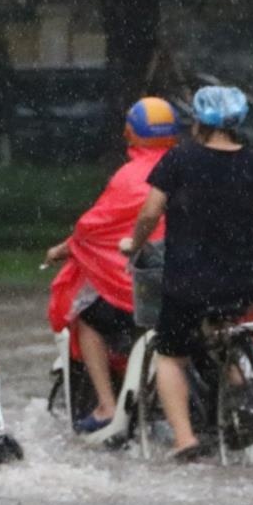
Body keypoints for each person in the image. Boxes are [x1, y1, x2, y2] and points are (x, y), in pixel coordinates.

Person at [121, 85, 253, 462]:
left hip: (189, 283)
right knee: (225, 334)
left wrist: (134, 245)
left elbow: (150, 213)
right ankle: (240, 393)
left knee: (170, 354)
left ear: (198, 119)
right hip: (243, 283)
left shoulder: (181, 159)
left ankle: (185, 439)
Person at [44, 97, 180, 431]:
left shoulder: (129, 177)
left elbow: (94, 230)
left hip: (147, 291)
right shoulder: (190, 166)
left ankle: (106, 406)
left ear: (131, 133)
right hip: (192, 287)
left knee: (87, 317)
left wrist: (66, 248)